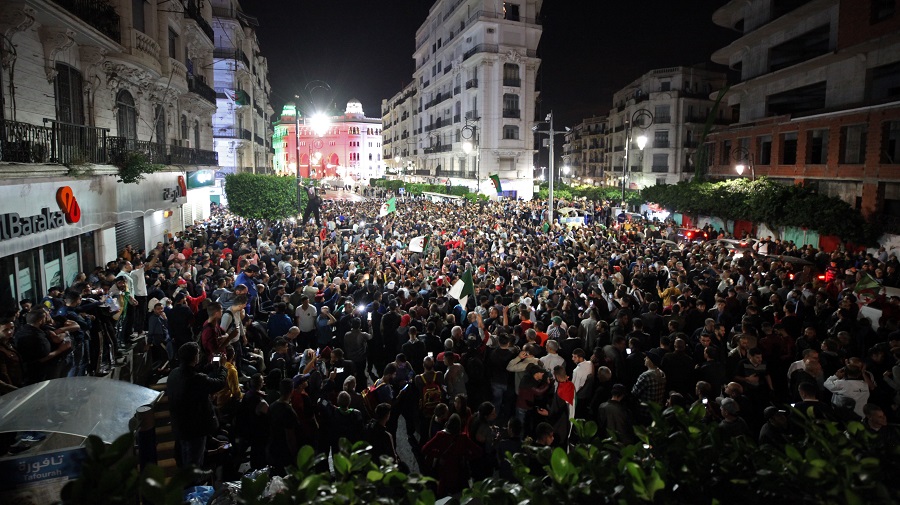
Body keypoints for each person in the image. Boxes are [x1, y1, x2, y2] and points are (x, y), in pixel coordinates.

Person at [167, 342, 226, 469]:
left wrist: (210, 366)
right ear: (195, 357)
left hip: (179, 426)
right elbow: (220, 383)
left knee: (183, 460)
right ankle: (193, 486)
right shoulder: (196, 380)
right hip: (195, 429)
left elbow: (193, 373)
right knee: (193, 465)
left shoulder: (174, 374)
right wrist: (223, 367)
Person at [421, 413, 483, 496]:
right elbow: (478, 451)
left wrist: (439, 454)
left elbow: (425, 449)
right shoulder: (463, 438)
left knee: (442, 492)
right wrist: (466, 456)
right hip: (458, 469)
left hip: (443, 468)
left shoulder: (440, 435)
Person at [267, 377, 300, 476]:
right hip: (284, 452)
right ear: (292, 391)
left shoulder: (272, 406)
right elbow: (290, 437)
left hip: (273, 448)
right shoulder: (288, 411)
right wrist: (295, 454)